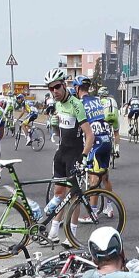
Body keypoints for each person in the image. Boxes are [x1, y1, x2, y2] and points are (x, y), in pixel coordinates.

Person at [42, 67, 94, 242]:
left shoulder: (76, 105)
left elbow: (90, 135)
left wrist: (84, 157)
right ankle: (53, 232)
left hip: (74, 154)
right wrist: (54, 126)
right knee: (58, 194)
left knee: (74, 197)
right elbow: (60, 132)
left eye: (57, 87)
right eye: (50, 88)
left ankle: (72, 236)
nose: (54, 91)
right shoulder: (57, 104)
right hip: (61, 153)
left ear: (64, 85)